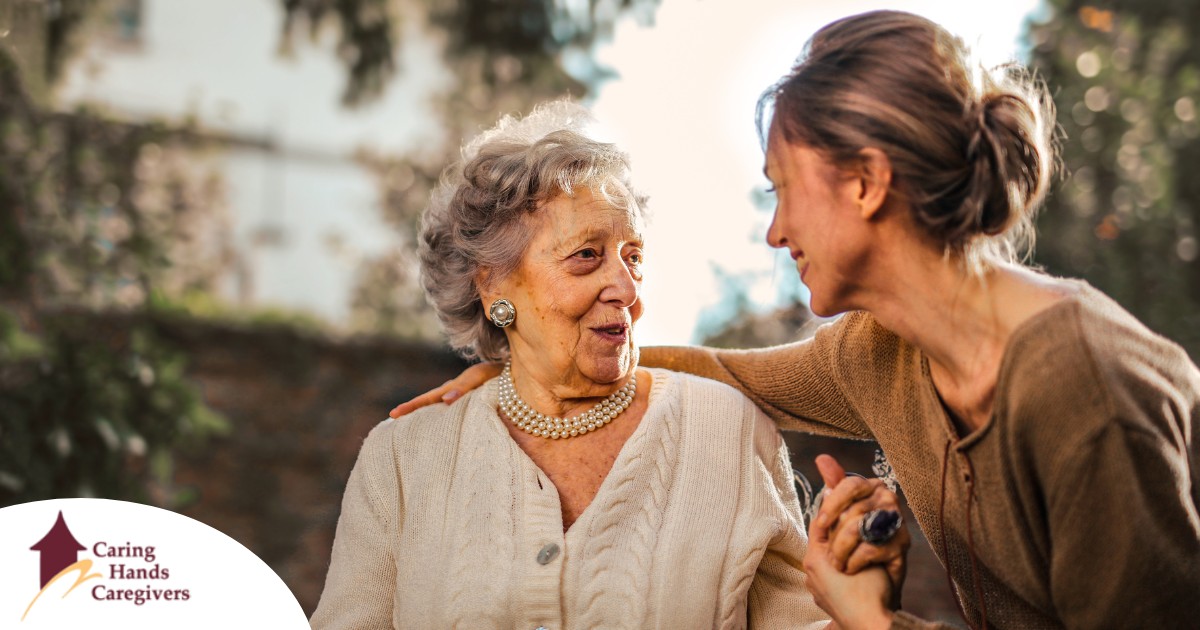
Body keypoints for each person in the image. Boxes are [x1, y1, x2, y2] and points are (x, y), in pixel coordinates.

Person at [390, 10, 1200, 629]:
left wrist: (869, 623)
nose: (775, 231)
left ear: (866, 183)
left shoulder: (1083, 393)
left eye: (782, 187)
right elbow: (719, 371)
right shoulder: (882, 352)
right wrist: (528, 361)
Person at [310, 101, 850, 629]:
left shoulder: (729, 431)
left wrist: (859, 604)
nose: (626, 287)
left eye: (633, 256)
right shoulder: (402, 459)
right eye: (587, 255)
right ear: (493, 284)